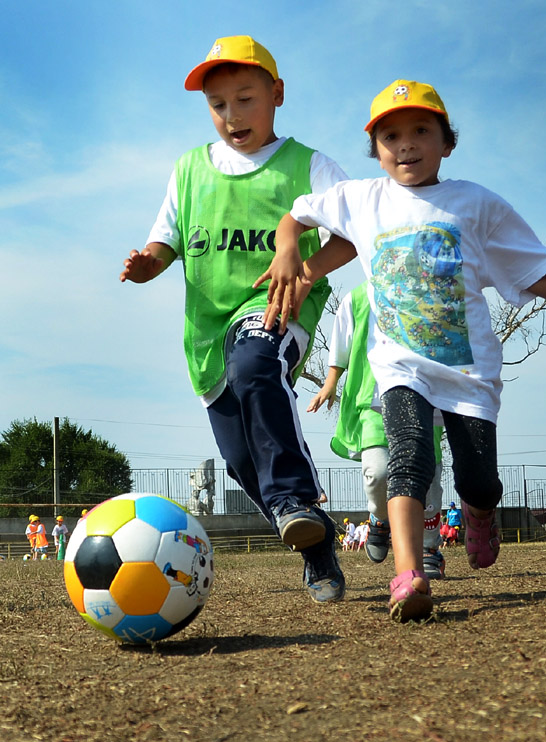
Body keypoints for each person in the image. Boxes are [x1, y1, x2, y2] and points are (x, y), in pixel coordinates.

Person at [264, 79, 546, 621]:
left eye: (420, 131)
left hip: (468, 368)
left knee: (476, 478)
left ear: (445, 142)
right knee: (408, 459)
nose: (405, 144)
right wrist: (292, 252)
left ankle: (482, 512)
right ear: (377, 149)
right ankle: (408, 574)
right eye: (390, 136)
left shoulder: (475, 204)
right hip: (400, 365)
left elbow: (530, 269)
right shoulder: (363, 198)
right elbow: (296, 215)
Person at [119, 36, 356, 603]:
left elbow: (352, 236)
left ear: (276, 95)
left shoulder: (311, 166)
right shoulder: (188, 170)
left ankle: (295, 498)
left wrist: (304, 272)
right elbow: (164, 243)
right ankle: (315, 545)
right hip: (206, 331)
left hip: (276, 312)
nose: (232, 115)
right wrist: (146, 264)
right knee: (239, 460)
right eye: (218, 104)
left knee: (255, 363)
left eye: (245, 99)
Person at [308, 283, 447, 580]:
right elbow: (341, 345)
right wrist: (330, 382)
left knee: (429, 478)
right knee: (378, 473)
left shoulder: (434, 291)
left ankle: (428, 548)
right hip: (374, 404)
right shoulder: (358, 298)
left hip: (425, 401)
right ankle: (380, 518)